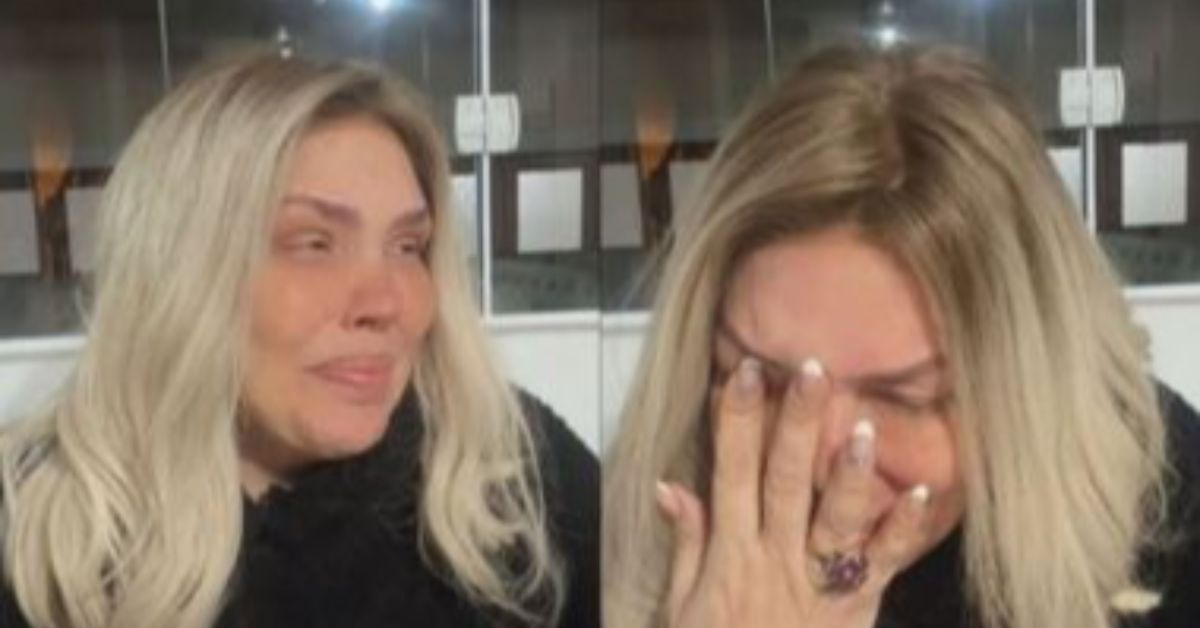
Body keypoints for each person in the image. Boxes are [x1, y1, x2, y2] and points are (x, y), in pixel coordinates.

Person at [602, 44, 1200, 628]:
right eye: (759, 379)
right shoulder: (608, 528)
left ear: (1030, 382)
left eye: (905, 399)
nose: (817, 470)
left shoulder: (1168, 502)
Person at [0, 52, 598, 628]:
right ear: (181, 273)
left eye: (407, 246)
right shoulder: (34, 529)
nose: (385, 304)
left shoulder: (523, 475)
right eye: (313, 244)